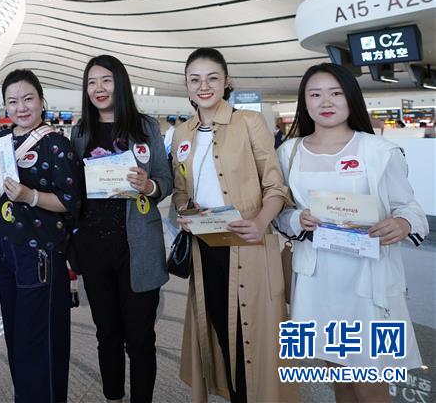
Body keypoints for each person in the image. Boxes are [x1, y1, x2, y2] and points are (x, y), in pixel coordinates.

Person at [275, 63, 428, 402]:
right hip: (317, 280)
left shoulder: (378, 151)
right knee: (339, 378)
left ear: (351, 98)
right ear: (304, 101)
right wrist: (297, 219)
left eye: (336, 93)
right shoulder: (289, 153)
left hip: (367, 281)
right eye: (315, 94)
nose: (325, 102)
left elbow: (410, 208)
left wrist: (402, 224)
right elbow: (279, 214)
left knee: (371, 382)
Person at [172, 47, 297, 403]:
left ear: (226, 81)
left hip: (248, 247)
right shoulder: (182, 133)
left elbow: (275, 185)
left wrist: (260, 221)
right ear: (187, 85)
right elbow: (181, 189)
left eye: (212, 78)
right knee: (218, 330)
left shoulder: (249, 123)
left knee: (251, 339)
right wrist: (184, 210)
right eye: (195, 79)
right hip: (205, 247)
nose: (203, 86)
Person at [0, 69, 81, 403]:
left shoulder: (56, 144)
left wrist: (29, 196)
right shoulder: (0, 140)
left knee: (39, 342)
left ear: (41, 101)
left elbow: (71, 202)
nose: (21, 107)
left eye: (28, 99)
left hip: (40, 255)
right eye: (13, 101)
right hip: (6, 250)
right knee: (18, 338)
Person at [69, 55, 172, 403]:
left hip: (137, 247)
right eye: (91, 82)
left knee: (140, 338)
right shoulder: (80, 132)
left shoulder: (145, 127)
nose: (98, 88)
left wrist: (149, 186)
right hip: (94, 248)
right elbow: (72, 188)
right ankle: (113, 397)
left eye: (106, 80)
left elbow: (165, 180)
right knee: (107, 334)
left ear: (120, 83)